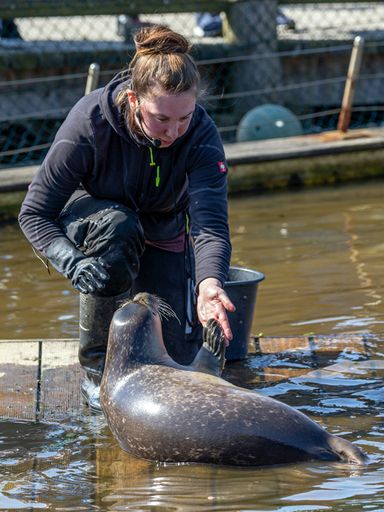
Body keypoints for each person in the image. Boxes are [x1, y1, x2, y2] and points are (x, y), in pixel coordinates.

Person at [18, 25, 235, 412]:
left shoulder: (200, 133)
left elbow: (209, 225)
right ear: (133, 99)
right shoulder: (89, 123)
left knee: (174, 360)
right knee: (120, 226)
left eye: (183, 118)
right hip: (100, 223)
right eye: (161, 119)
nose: (173, 132)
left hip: (164, 229)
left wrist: (209, 284)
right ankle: (97, 371)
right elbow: (34, 213)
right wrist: (72, 260)